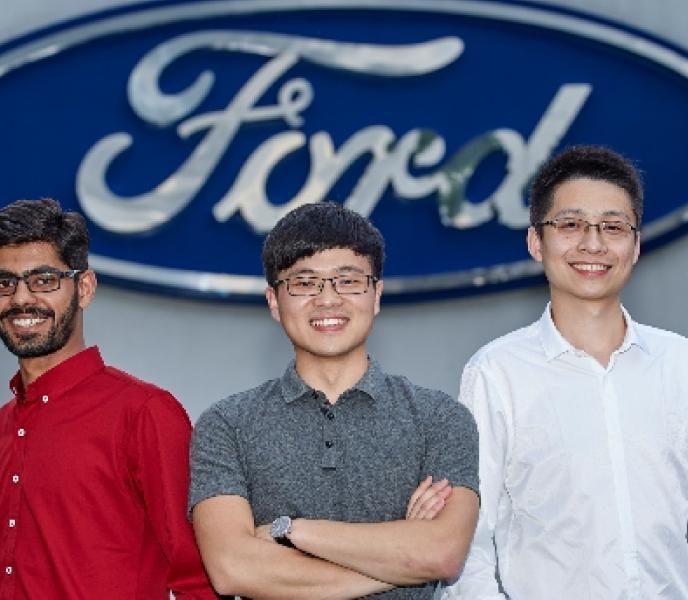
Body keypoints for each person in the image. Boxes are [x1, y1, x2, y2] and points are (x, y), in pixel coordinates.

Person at [443, 146, 688, 599]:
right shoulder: (497, 373)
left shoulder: (679, 362)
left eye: (613, 227)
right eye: (570, 224)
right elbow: (469, 535)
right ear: (536, 242)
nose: (593, 244)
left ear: (635, 245)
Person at [189, 202, 480, 598]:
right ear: (274, 302)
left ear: (376, 294)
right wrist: (404, 561)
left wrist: (289, 530)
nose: (327, 299)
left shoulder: (440, 419)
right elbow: (232, 568)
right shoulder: (227, 424)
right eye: (304, 283)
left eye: (348, 281)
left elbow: (443, 554)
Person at [0, 199, 215, 599]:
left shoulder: (143, 414)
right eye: (4, 283)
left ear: (84, 288)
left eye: (43, 280)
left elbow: (200, 580)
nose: (21, 299)